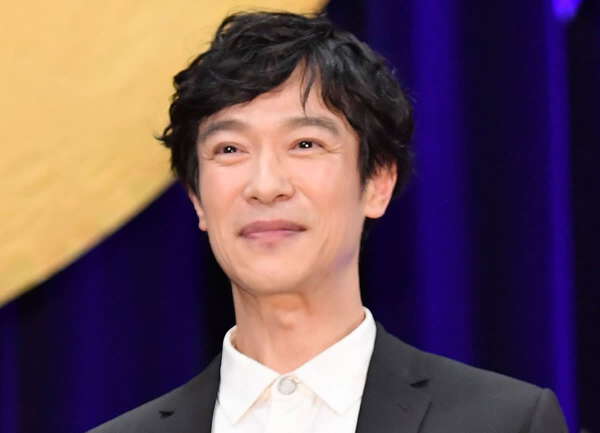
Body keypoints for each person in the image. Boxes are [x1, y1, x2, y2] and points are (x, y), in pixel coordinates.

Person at [88, 11, 568, 433]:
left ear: (377, 183)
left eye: (305, 144)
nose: (266, 185)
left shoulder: (504, 421)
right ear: (197, 200)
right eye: (230, 149)